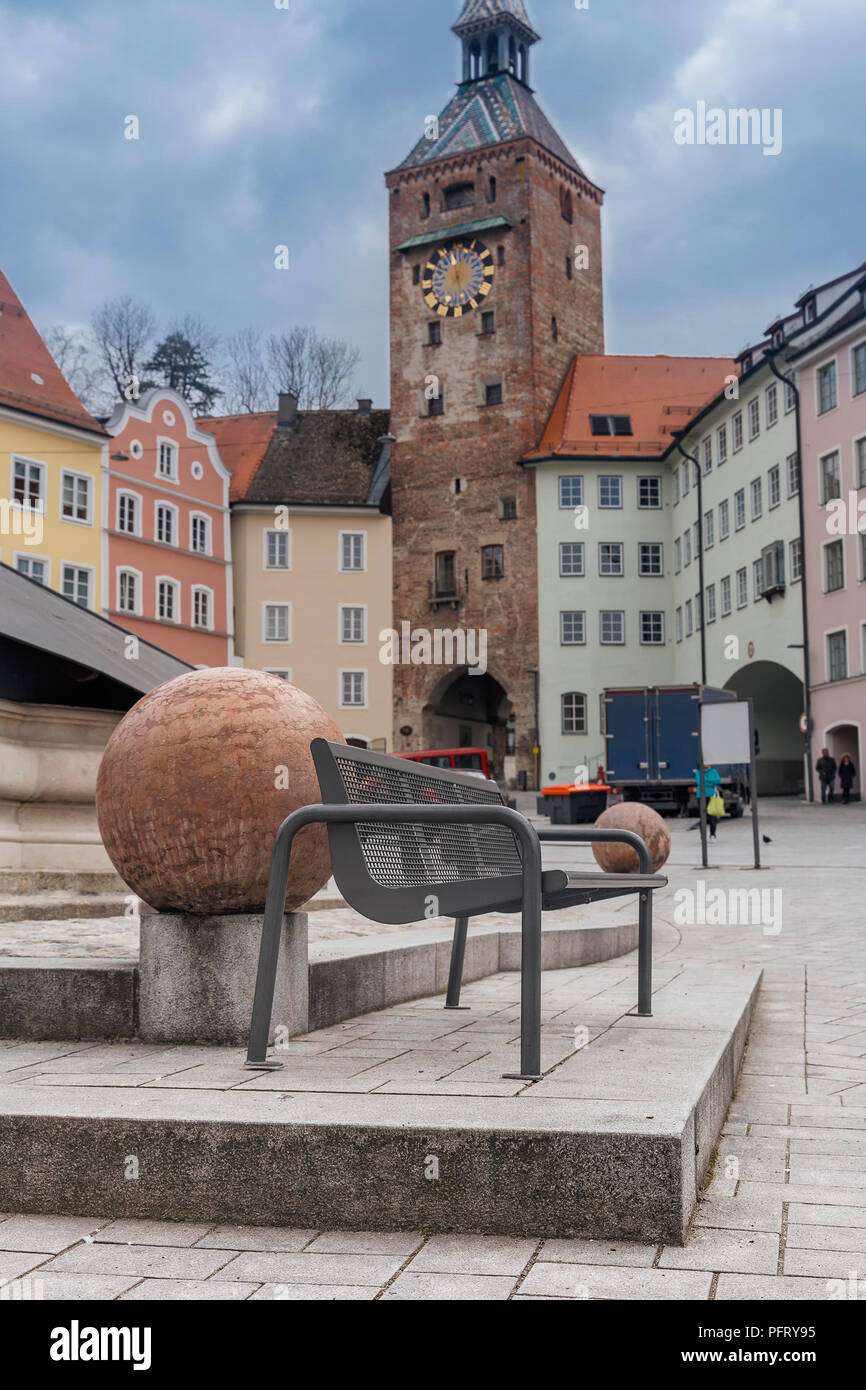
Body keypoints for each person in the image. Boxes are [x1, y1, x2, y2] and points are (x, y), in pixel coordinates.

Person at [694, 764, 724, 838]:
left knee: (712, 816)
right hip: (701, 796)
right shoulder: (698, 772)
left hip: (712, 796)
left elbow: (718, 781)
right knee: (702, 816)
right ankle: (703, 835)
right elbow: (699, 782)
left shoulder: (713, 771)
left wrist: (705, 780)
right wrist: (711, 782)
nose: (705, 764)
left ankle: (712, 834)